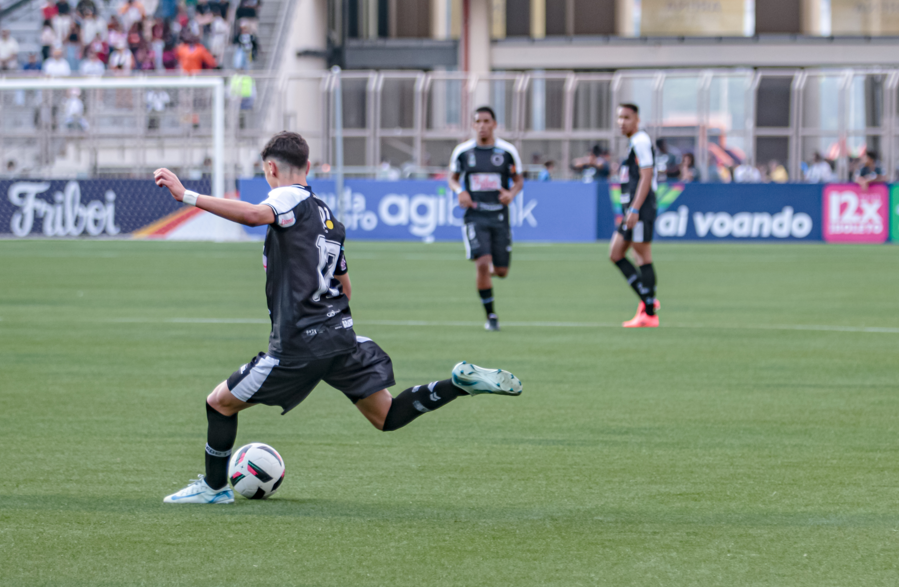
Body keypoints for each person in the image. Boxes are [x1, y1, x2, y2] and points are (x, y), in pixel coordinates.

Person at [155, 132, 523, 504]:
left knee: (219, 402)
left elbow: (253, 215)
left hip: (298, 343)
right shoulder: (326, 215)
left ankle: (214, 488)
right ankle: (457, 384)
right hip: (339, 336)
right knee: (386, 415)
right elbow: (345, 287)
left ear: (270, 168)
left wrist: (186, 195)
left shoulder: (286, 197)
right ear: (309, 166)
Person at [448, 106, 524, 332]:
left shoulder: (507, 151)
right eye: (478, 121)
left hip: (500, 216)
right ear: (473, 125)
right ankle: (491, 316)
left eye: (486, 121)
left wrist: (511, 193)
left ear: (494, 124)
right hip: (475, 215)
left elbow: (518, 180)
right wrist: (459, 191)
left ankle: (489, 268)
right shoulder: (463, 152)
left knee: (501, 271)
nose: (482, 125)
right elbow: (453, 178)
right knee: (482, 263)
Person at [609, 104, 659, 328]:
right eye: (620, 117)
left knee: (641, 255)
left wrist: (636, 208)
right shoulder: (634, 143)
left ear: (637, 119)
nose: (622, 122)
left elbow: (646, 176)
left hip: (641, 208)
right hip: (632, 208)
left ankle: (649, 313)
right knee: (616, 253)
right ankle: (648, 302)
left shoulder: (641, 141)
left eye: (627, 117)